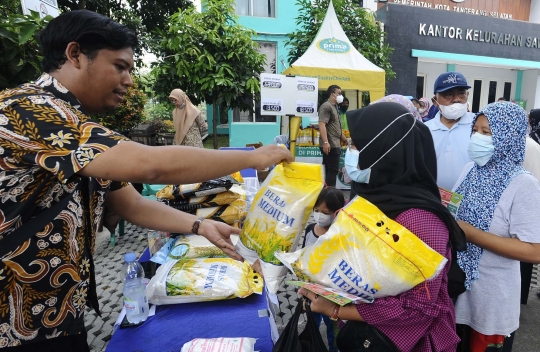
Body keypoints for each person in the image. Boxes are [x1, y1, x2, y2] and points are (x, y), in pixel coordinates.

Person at [0, 10, 292, 351]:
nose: (128, 80)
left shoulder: (80, 129)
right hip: (12, 316)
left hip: (57, 312)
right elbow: (150, 166)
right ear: (75, 54)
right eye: (120, 66)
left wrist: (200, 226)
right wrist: (253, 157)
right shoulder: (28, 109)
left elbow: (133, 204)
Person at [299, 102, 466, 352]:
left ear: (384, 151)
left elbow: (419, 308)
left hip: (411, 343)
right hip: (367, 336)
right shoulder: (369, 197)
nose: (350, 151)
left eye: (356, 145)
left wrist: (336, 309)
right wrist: (319, 283)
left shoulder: (420, 219)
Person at [453, 102, 540, 352]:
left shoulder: (524, 184)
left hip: (492, 301)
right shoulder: (471, 169)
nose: (477, 137)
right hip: (458, 291)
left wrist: (472, 234)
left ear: (508, 136)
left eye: (487, 132)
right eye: (476, 130)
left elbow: (534, 251)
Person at [302, 187, 345, 352]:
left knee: (333, 328)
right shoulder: (309, 230)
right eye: (316, 210)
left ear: (336, 212)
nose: (319, 215)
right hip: (311, 290)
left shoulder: (338, 236)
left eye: (325, 212)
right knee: (312, 322)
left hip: (331, 294)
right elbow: (304, 257)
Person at [425, 71, 475, 190]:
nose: (456, 99)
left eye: (461, 93)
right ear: (435, 101)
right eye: (448, 94)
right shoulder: (425, 130)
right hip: (434, 199)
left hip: (471, 200)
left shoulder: (479, 126)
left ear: (467, 95)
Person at [318, 85, 348, 187]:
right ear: (332, 94)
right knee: (332, 171)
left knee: (329, 170)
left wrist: (346, 139)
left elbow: (336, 128)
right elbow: (322, 125)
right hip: (330, 144)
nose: (341, 96)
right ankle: (329, 195)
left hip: (335, 143)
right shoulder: (326, 106)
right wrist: (326, 142)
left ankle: (326, 194)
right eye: (339, 93)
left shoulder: (335, 107)